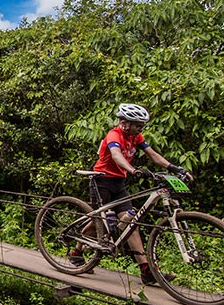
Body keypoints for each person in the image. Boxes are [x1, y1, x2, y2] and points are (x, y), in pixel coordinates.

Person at [75, 103, 192, 285]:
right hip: (102, 180)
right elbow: (115, 155)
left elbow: (152, 154)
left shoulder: (136, 137)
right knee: (100, 221)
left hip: (118, 183)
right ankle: (77, 251)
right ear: (124, 123)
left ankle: (146, 270)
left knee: (131, 221)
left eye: (142, 125)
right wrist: (132, 170)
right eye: (138, 125)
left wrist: (174, 167)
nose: (140, 128)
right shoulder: (114, 135)